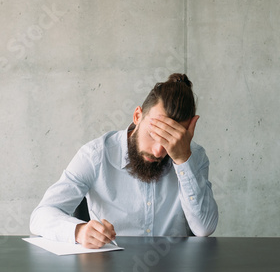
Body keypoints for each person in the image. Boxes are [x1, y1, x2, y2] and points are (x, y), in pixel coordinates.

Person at [30, 73, 218, 249]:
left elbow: (204, 228)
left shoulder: (194, 157)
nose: (159, 151)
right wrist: (78, 231)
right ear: (137, 116)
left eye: (171, 139)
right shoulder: (96, 155)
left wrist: (183, 160)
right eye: (153, 134)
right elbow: (41, 215)